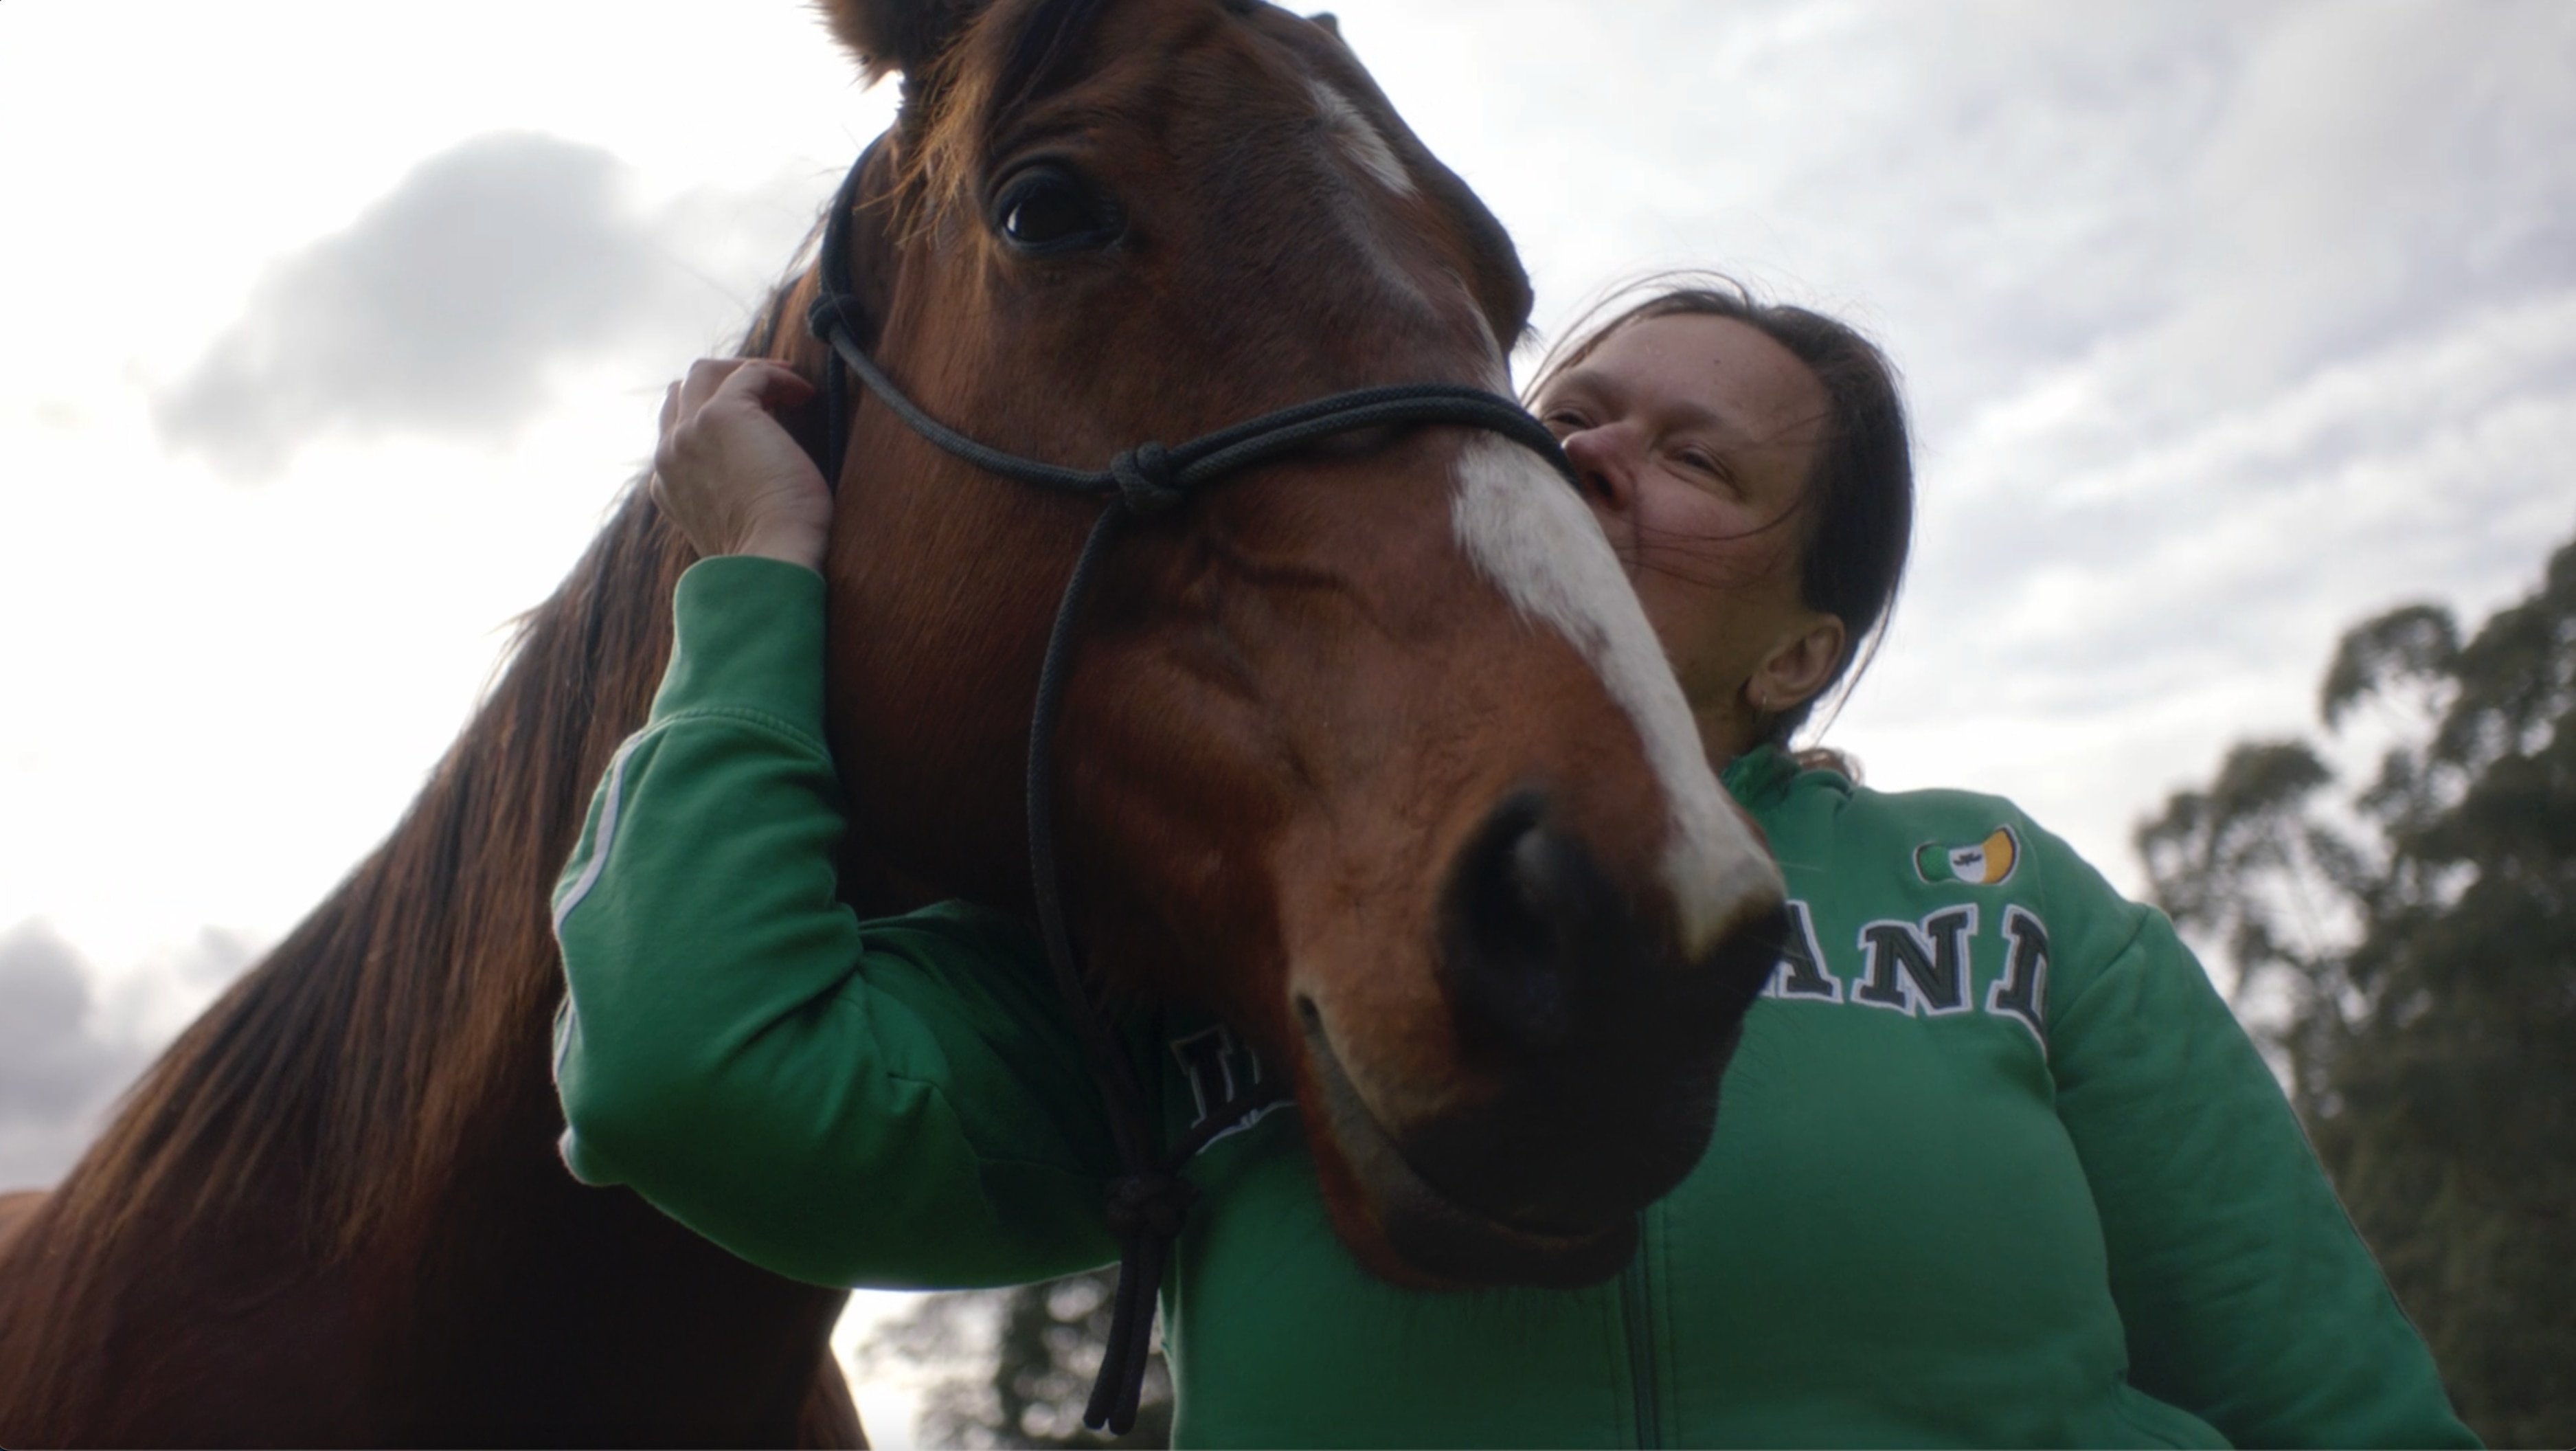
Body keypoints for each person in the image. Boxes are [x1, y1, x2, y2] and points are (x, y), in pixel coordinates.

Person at [549, 280, 2476, 1447]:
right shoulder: (1210, 912)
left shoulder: (2005, 904)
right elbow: (681, 1071)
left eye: (1700, 462)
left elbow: (2333, 1409)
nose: (1595, 459)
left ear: (1799, 657)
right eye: (1567, 417)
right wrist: (751, 588)